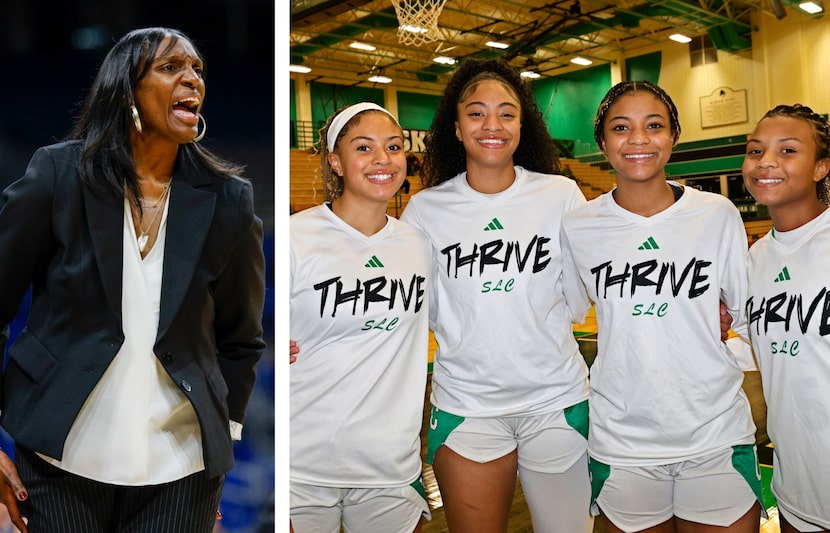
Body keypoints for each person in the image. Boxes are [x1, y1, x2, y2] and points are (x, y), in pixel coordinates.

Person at [0, 27, 266, 532]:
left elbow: (241, 339)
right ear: (126, 91)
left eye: (197, 70)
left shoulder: (229, 200)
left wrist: (219, 444)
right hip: (60, 456)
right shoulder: (58, 175)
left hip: (182, 468)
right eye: (170, 68)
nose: (192, 79)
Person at [560, 80, 762, 533]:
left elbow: (748, 317)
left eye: (654, 125)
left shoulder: (717, 213)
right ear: (603, 143)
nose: (637, 139)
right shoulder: (579, 226)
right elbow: (565, 312)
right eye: (621, 127)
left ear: (673, 136)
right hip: (623, 441)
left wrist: (714, 342)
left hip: (716, 435)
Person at [400, 58, 593, 533]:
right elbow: (399, 304)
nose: (493, 125)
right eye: (477, 113)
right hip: (468, 408)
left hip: (557, 402)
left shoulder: (561, 195)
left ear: (522, 126)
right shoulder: (426, 209)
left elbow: (590, 291)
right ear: (457, 128)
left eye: (506, 113)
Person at [289, 102, 432, 532]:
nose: (382, 159)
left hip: (389, 467)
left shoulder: (420, 244)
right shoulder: (296, 238)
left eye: (393, 146)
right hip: (302, 464)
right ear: (335, 160)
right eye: (364, 147)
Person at [741, 104, 830, 532]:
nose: (766, 162)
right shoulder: (752, 261)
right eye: (755, 151)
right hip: (798, 487)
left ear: (821, 168)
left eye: (788, 150)